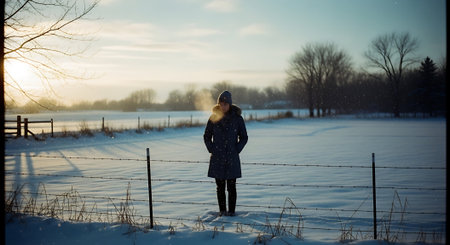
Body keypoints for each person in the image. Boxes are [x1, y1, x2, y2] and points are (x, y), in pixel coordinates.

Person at [203, 91, 248, 217]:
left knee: (232, 187)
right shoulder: (213, 118)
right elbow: (207, 136)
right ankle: (222, 212)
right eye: (221, 104)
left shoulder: (237, 119)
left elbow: (244, 137)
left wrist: (236, 150)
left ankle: (232, 212)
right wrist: (212, 149)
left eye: (225, 104)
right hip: (217, 157)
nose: (223, 106)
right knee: (220, 187)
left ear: (230, 104)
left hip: (232, 158)